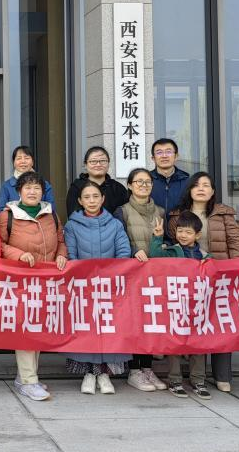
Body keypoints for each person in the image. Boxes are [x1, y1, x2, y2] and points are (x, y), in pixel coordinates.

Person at [168, 171, 239, 393]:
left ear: (212, 191)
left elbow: (235, 244)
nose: (201, 188)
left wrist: (236, 271)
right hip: (186, 281)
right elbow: (172, 246)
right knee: (188, 325)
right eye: (196, 185)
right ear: (190, 189)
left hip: (218, 278)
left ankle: (222, 375)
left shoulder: (223, 214)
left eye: (206, 185)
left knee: (219, 324)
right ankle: (184, 376)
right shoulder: (176, 215)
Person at [0, 171, 68, 402]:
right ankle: (29, 381)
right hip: (19, 280)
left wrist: (62, 255)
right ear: (19, 191)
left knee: (37, 327)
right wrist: (18, 254)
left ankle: (25, 377)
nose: (32, 192)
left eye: (36, 188)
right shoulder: (7, 216)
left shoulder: (51, 215)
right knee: (26, 328)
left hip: (46, 282)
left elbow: (61, 241)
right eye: (27, 187)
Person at [63, 180, 132, 394]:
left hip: (109, 288)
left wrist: (110, 276)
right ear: (80, 201)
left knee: (109, 331)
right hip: (83, 288)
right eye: (87, 197)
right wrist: (84, 278)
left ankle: (104, 374)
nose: (91, 201)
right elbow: (71, 255)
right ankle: (88, 374)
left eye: (95, 196)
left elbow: (123, 252)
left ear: (103, 199)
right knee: (86, 331)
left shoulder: (115, 224)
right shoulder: (72, 225)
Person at [114, 168, 168, 393]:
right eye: (138, 182)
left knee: (151, 320)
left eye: (147, 182)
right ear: (129, 185)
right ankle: (134, 369)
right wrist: (133, 251)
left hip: (155, 274)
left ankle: (147, 368)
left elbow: (167, 240)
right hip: (132, 273)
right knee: (135, 320)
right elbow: (119, 238)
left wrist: (160, 240)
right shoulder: (122, 211)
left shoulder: (161, 211)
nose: (143, 185)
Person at [150, 211, 212, 399]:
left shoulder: (205, 256)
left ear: (197, 235)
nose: (183, 235)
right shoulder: (172, 251)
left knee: (198, 344)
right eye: (180, 231)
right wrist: (157, 237)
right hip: (176, 304)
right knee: (175, 344)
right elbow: (155, 256)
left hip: (198, 306)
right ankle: (175, 380)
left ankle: (198, 380)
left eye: (188, 232)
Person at [65, 146, 130, 215]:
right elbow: (74, 216)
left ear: (108, 164)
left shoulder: (117, 188)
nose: (98, 164)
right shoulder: (77, 187)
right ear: (85, 165)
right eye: (93, 161)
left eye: (103, 161)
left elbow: (125, 215)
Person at [0, 146, 55, 213]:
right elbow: (2, 210)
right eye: (19, 158)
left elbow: (51, 209)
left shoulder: (45, 184)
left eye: (27, 158)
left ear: (32, 162)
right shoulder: (6, 186)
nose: (23, 161)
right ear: (14, 163)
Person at [150, 138, 189, 215]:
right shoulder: (147, 180)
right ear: (153, 158)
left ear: (176, 156)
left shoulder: (187, 181)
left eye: (168, 152)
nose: (164, 156)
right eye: (159, 152)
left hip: (180, 222)